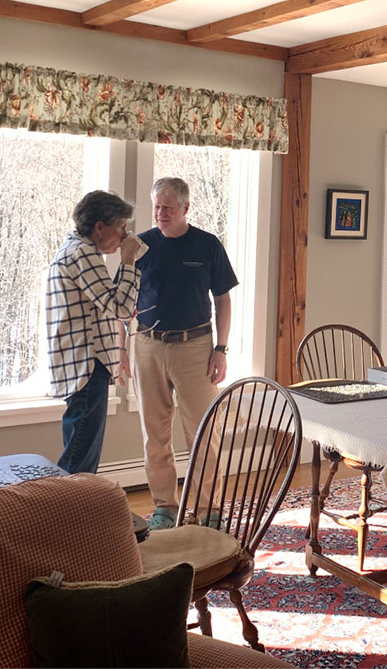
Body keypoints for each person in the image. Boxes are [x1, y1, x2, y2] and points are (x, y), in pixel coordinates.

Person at [134, 177, 237, 530]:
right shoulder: (140, 246)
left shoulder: (207, 245)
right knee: (155, 434)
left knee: (204, 433)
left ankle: (209, 511)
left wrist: (221, 349)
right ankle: (164, 507)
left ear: (186, 208)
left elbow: (223, 300)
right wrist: (122, 353)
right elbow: (123, 303)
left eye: (168, 207)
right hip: (147, 345)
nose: (160, 213)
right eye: (156, 206)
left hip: (195, 347)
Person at [45, 190, 143, 474]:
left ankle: (71, 503)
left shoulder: (73, 250)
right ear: (100, 226)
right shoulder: (83, 254)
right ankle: (66, 505)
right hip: (87, 366)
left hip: (80, 365)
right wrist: (128, 260)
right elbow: (121, 307)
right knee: (79, 464)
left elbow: (106, 305)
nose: (124, 236)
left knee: (80, 454)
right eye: (121, 227)